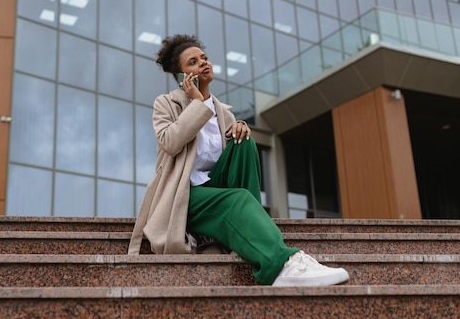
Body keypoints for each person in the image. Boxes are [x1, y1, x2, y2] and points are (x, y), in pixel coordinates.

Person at [128, 34, 349, 287]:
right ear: (181, 77)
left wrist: (238, 128)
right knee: (238, 198)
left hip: (218, 191)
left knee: (244, 141)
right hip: (184, 196)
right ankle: (282, 265)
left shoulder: (224, 113)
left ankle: (256, 237)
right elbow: (169, 142)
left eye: (205, 58)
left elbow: (232, 158)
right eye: (192, 62)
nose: (203, 63)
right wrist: (198, 104)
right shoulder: (166, 104)